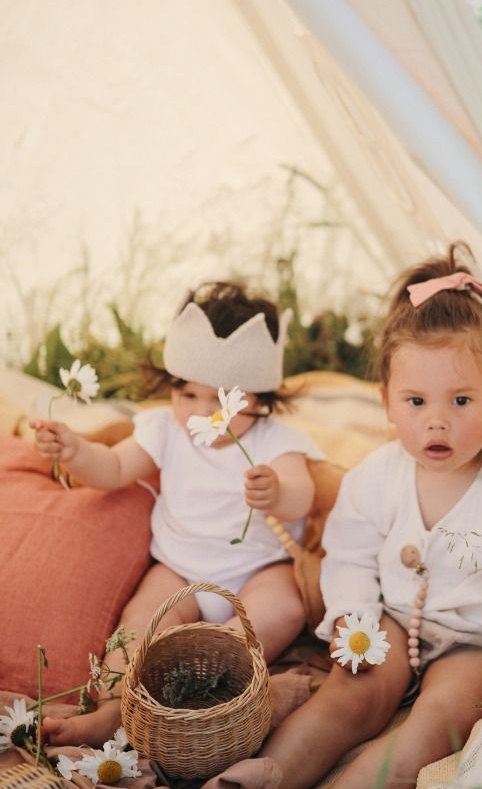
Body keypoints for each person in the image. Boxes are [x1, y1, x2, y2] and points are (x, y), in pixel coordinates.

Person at [209, 245, 482, 789]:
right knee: (351, 694)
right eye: (416, 402)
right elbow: (349, 555)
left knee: (438, 722)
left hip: (475, 640)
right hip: (386, 617)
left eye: (461, 402)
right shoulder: (377, 477)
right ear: (386, 401)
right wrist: (354, 619)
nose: (437, 422)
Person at [31, 281, 324, 746]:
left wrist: (277, 492)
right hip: (178, 569)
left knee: (285, 606)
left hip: (254, 569)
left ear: (261, 398)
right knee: (140, 620)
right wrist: (74, 450)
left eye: (222, 400)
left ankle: (210, 675)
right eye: (188, 396)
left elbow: (303, 495)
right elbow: (113, 468)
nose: (202, 414)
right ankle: (111, 710)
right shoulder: (164, 428)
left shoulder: (275, 440)